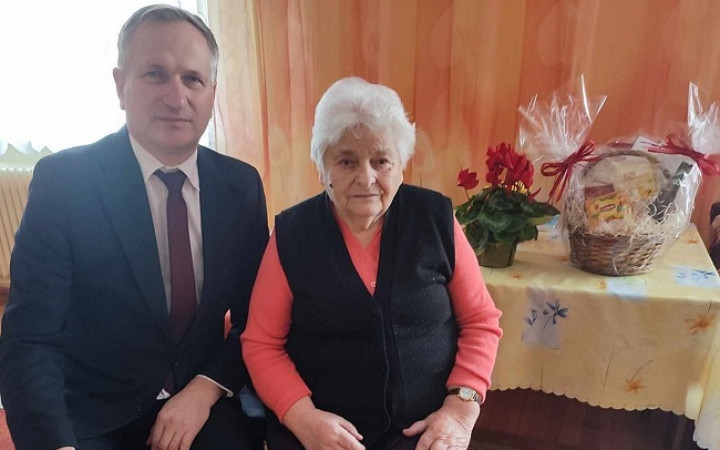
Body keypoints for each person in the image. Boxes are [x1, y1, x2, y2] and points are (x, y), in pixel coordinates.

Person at [0, 5, 268, 450]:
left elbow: (255, 323)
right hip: (92, 411)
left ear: (212, 93)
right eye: (155, 75)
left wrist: (205, 389)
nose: (176, 97)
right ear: (120, 85)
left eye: (192, 79)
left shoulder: (240, 187)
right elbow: (30, 339)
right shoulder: (65, 182)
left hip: (198, 402)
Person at [241, 77, 503, 450]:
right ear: (322, 168)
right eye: (346, 161)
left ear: (401, 166)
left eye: (381, 161)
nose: (366, 179)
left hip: (422, 431)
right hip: (318, 433)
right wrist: (302, 418)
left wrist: (461, 408)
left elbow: (480, 321)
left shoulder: (435, 219)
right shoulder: (291, 233)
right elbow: (262, 344)